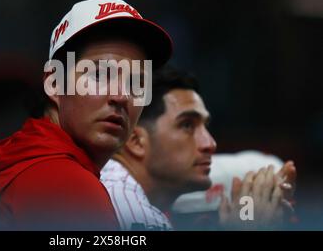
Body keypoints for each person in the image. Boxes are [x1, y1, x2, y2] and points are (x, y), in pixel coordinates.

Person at [0, 0, 173, 230]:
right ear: (54, 83)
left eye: (136, 82)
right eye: (100, 74)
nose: (122, 96)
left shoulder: (19, 162)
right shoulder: (66, 184)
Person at [101, 67, 296, 230]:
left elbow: (270, 167)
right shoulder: (129, 211)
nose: (210, 144)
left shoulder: (159, 182)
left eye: (205, 126)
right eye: (187, 125)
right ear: (135, 141)